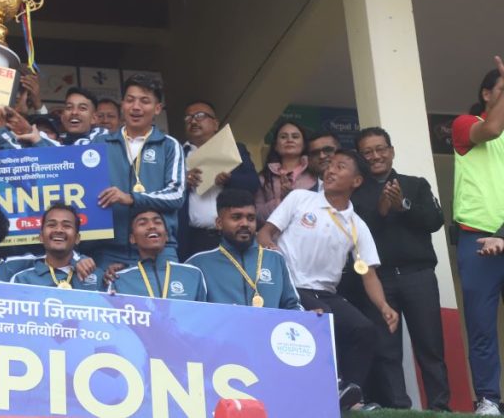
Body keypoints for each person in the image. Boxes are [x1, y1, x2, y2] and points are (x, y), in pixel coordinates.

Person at [258, 149, 399, 402]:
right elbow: (264, 233)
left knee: (364, 329)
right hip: (289, 287)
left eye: (340, 166)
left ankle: (349, 393)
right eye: (330, 165)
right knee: (323, 318)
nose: (331, 170)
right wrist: (271, 248)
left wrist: (383, 306)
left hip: (325, 293)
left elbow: (368, 274)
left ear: (356, 181)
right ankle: (325, 389)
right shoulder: (300, 198)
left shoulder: (357, 225)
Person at [349, 127, 448, 410]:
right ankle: (398, 409)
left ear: (391, 151)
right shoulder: (355, 192)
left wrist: (403, 205)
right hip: (379, 281)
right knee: (387, 349)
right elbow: (355, 236)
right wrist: (381, 209)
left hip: (419, 276)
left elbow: (435, 221)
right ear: (361, 158)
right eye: (367, 152)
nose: (375, 156)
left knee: (430, 346)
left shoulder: (415, 184)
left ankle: (440, 407)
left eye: (380, 149)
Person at [451, 56, 504, 415]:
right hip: (478, 238)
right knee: (482, 326)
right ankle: (489, 399)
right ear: (486, 94)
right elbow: (494, 129)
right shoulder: (466, 124)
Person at [87, 74, 185, 267]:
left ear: (157, 108)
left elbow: (176, 194)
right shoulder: (99, 143)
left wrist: (132, 198)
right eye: (130, 100)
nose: (136, 107)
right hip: (108, 250)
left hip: (159, 248)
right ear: (122, 104)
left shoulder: (168, 145)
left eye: (145, 101)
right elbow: (73, 177)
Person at [186, 188, 300, 309]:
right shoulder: (198, 264)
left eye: (251, 218)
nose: (245, 223)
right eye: (236, 217)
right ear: (219, 223)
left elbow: (293, 307)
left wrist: (310, 317)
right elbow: (188, 312)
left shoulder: (275, 260)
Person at [178, 100, 259, 260]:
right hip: (193, 238)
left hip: (231, 235)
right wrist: (183, 182)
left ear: (215, 124)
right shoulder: (176, 153)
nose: (193, 121)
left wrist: (229, 179)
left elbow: (253, 183)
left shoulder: (235, 149)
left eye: (200, 116)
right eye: (188, 118)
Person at [110, 209, 206, 301]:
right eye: (142, 223)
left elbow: (204, 311)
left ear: (167, 236)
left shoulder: (193, 274)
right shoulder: (120, 279)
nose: (152, 226)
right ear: (132, 238)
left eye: (157, 222)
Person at [10, 204, 102, 291]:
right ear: (41, 237)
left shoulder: (98, 276)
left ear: (77, 238)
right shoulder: (22, 280)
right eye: (52, 225)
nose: (58, 230)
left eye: (66, 226)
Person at [255, 120, 316, 225]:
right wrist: (282, 200)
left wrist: (293, 198)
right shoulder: (263, 178)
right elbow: (257, 215)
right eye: (283, 137)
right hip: (275, 234)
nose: (289, 140)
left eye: (295, 137)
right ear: (275, 145)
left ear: (304, 145)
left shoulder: (315, 174)